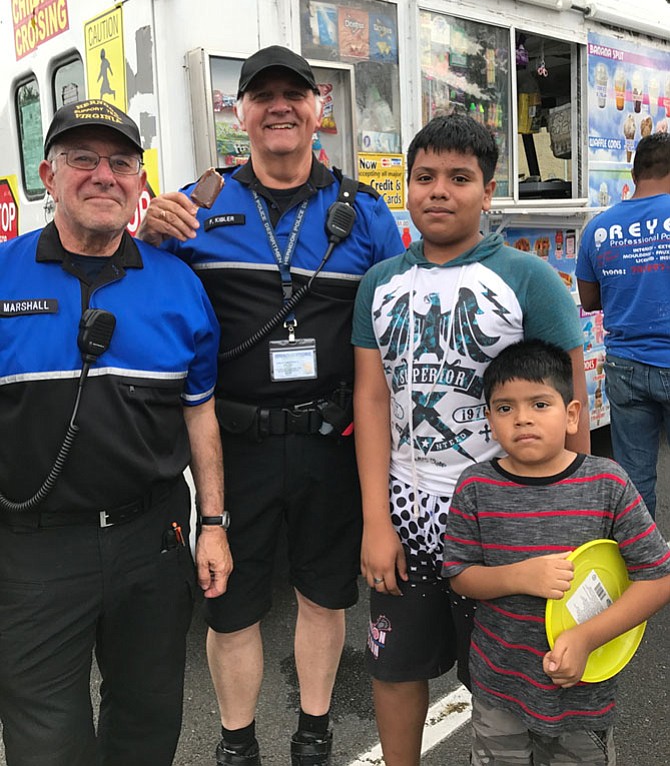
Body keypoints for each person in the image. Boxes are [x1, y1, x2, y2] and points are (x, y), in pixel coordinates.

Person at [137, 45, 404, 766]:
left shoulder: (367, 214)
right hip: (235, 447)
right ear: (241, 112)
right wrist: (144, 236)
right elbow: (149, 303)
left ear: (319, 107)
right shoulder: (200, 203)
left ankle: (313, 735)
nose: (279, 105)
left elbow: (397, 324)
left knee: (323, 595)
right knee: (232, 606)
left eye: (294, 93)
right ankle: (236, 743)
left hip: (330, 441)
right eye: (263, 95)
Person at [352, 113, 590, 766]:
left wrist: (575, 510)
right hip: (407, 510)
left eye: (460, 178)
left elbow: (572, 406)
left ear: (488, 192)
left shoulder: (527, 280)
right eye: (424, 176)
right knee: (396, 664)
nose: (438, 191)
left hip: (504, 517)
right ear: (406, 187)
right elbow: (372, 400)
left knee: (512, 675)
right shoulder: (379, 285)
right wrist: (377, 519)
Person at [0, 99, 232, 766]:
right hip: (32, 554)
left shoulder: (180, 286)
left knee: (147, 723)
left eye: (121, 162)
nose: (104, 174)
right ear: (49, 174)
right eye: (83, 159)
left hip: (151, 545)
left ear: (139, 181)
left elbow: (200, 413)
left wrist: (213, 525)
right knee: (46, 742)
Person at [443, 339, 670, 766]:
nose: (522, 418)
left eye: (539, 404)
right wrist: (518, 576)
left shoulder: (608, 483)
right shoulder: (476, 487)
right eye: (505, 407)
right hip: (499, 686)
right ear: (489, 418)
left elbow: (657, 578)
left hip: (581, 695)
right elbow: (459, 573)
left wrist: (586, 638)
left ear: (571, 414)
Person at [576, 132, 670, 517]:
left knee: (634, 480)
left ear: (635, 173)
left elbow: (589, 300)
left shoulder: (599, 228)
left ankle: (644, 564)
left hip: (625, 366)